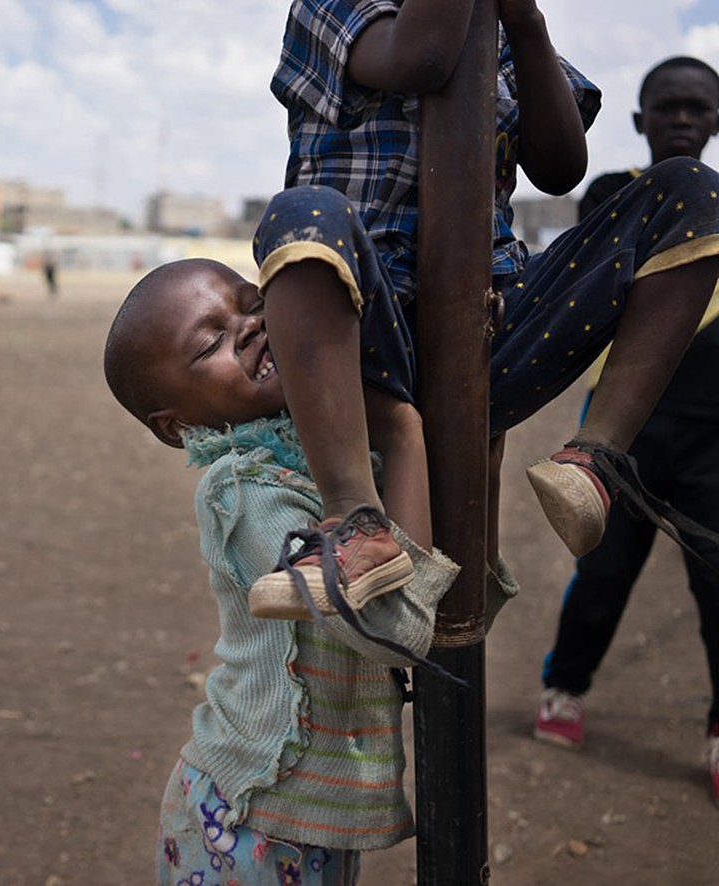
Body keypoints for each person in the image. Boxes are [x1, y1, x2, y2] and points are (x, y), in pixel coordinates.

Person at [235, 0, 719, 620]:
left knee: (693, 192)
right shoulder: (332, 8)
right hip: (363, 327)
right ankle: (355, 518)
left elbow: (560, 167)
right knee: (301, 212)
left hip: (490, 329)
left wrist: (525, 22)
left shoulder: (503, 39)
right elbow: (423, 57)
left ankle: (596, 457)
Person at [105, 257, 532, 882]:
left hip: (299, 818)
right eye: (211, 343)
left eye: (255, 305)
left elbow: (455, 606)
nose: (250, 328)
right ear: (178, 427)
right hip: (250, 817)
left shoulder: (332, 464)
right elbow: (397, 629)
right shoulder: (246, 490)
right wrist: (404, 430)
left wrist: (480, 457)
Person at [533, 56, 719, 806]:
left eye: (698, 107)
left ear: (716, 120)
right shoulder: (617, 197)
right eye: (666, 107)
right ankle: (564, 688)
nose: (682, 118)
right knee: (604, 572)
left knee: (717, 584)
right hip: (625, 427)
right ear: (640, 123)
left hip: (716, 436)